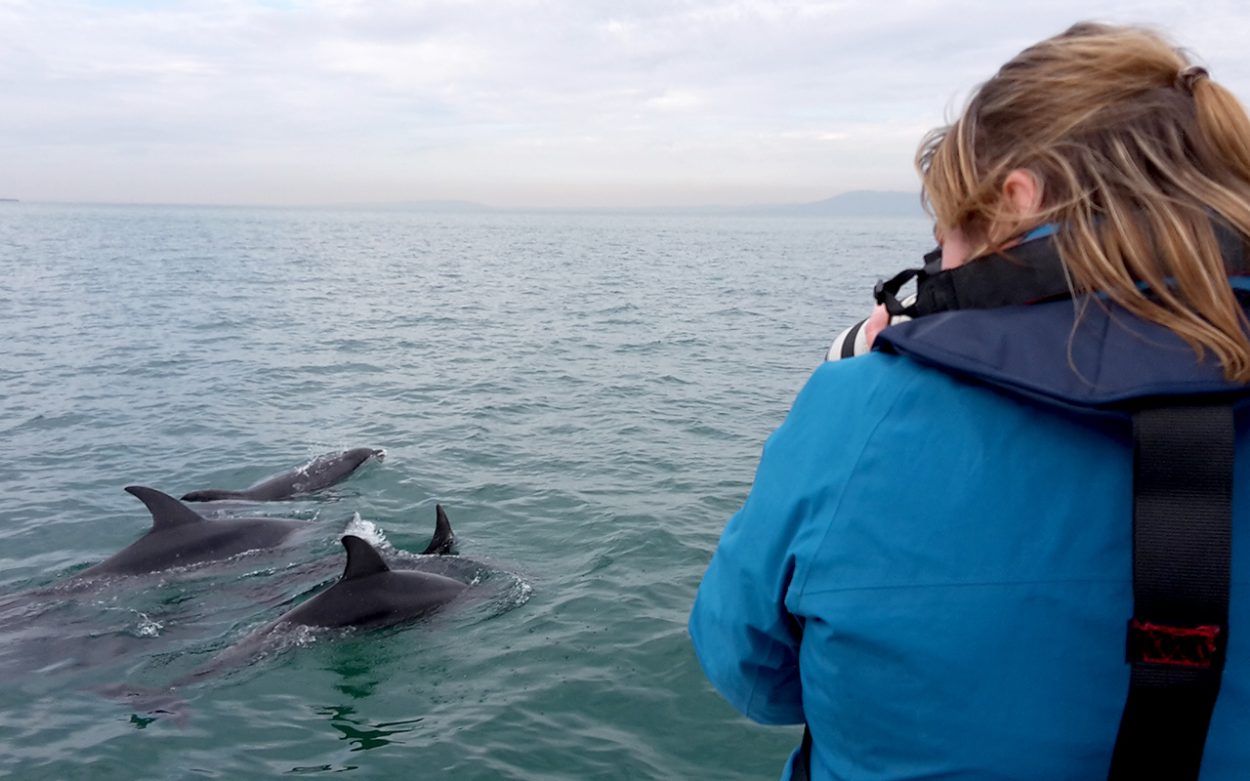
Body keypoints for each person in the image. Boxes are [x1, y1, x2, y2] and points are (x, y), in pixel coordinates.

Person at [689, 22, 1250, 780]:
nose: (936, 270)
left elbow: (750, 673)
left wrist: (854, 392)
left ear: (1016, 202)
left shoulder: (859, 406)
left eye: (943, 240)